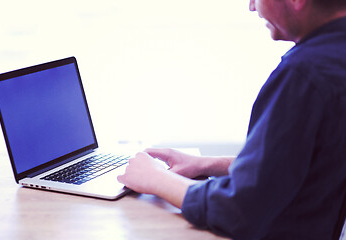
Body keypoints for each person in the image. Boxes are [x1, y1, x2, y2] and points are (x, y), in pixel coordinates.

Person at [117, 0, 346, 239]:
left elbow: (241, 210)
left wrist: (156, 178)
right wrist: (207, 164)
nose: (251, 6)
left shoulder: (305, 74)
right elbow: (300, 162)